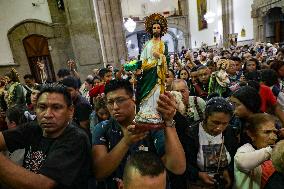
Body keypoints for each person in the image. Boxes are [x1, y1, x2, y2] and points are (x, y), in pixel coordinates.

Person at [91, 79, 185, 188]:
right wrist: (126, 142)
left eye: (120, 100)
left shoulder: (151, 125)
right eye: (110, 102)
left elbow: (178, 167)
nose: (115, 107)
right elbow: (99, 173)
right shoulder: (103, 128)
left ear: (133, 99)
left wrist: (169, 122)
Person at [0, 83, 91, 189]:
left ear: (70, 111)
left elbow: (41, 185)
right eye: (42, 107)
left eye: (56, 108)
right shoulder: (34, 128)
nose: (47, 114)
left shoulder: (76, 138)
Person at [184, 97, 238, 189]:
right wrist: (197, 174)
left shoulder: (229, 132)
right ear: (205, 116)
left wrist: (228, 171)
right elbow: (184, 163)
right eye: (215, 122)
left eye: (224, 123)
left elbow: (234, 156)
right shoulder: (191, 133)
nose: (219, 128)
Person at [135, 13, 169, 126]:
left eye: (158, 27)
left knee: (157, 91)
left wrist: (160, 57)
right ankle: (145, 112)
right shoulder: (147, 44)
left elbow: (167, 58)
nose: (156, 29)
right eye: (154, 27)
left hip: (158, 71)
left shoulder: (163, 44)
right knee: (146, 92)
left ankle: (155, 112)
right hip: (148, 71)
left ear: (161, 29)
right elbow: (142, 58)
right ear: (151, 29)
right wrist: (139, 67)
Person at [234, 113, 278, 189]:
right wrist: (273, 149)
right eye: (267, 132)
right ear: (251, 134)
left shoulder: (273, 152)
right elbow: (243, 164)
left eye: (275, 132)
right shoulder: (245, 149)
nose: (273, 137)